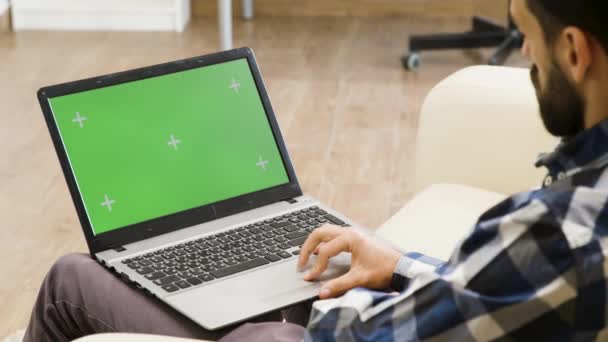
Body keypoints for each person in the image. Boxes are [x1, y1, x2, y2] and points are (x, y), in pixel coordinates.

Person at [24, 0, 608, 340]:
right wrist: (400, 264)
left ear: (575, 51)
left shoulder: (561, 232)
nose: (525, 55)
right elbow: (486, 296)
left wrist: (268, 325)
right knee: (298, 278)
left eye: (528, 36)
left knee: (68, 280)